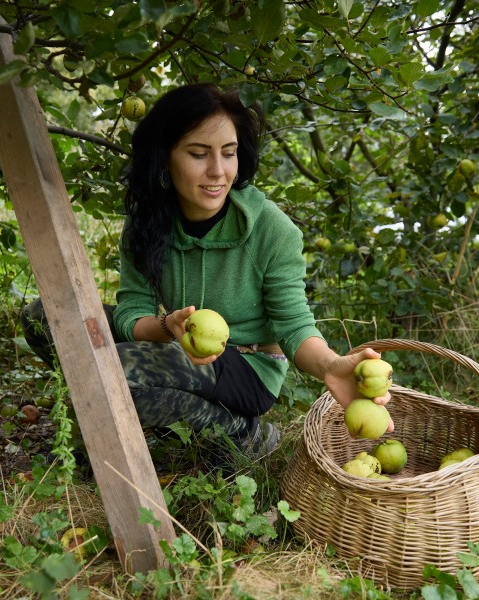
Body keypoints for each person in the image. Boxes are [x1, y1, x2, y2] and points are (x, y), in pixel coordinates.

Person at [21, 82, 391, 459]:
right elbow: (133, 309)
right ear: (165, 157)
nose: (218, 171)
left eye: (228, 154)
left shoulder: (272, 230)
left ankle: (241, 433)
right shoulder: (148, 223)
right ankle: (183, 416)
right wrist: (168, 328)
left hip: (247, 366)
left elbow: (294, 324)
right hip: (179, 343)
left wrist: (330, 365)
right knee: (48, 317)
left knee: (112, 374)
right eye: (199, 154)